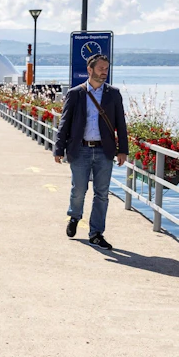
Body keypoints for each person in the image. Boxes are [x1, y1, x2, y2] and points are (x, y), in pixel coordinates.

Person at [53, 54, 129, 251]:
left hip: (105, 151)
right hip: (81, 149)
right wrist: (58, 148)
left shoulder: (114, 94)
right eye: (101, 68)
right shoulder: (76, 93)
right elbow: (64, 123)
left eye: (106, 68)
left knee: (102, 194)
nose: (105, 71)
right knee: (78, 190)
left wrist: (123, 150)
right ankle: (75, 216)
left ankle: (96, 233)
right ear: (90, 70)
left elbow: (121, 124)